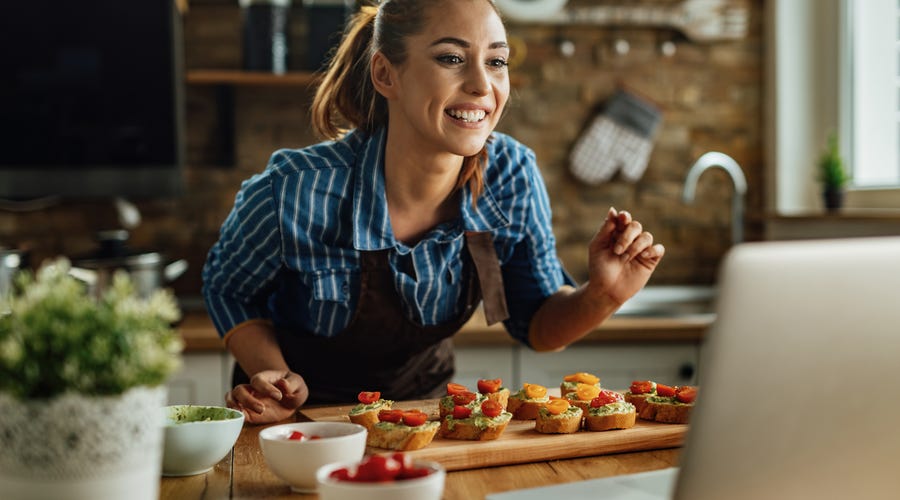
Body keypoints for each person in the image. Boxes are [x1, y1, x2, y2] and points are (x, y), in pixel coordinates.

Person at [202, 0, 665, 424]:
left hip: (426, 419)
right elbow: (227, 286)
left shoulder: (511, 176)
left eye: (496, 61)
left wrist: (603, 295)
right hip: (299, 423)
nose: (483, 85)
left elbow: (539, 325)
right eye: (451, 58)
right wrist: (275, 378)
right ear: (386, 75)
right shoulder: (297, 188)